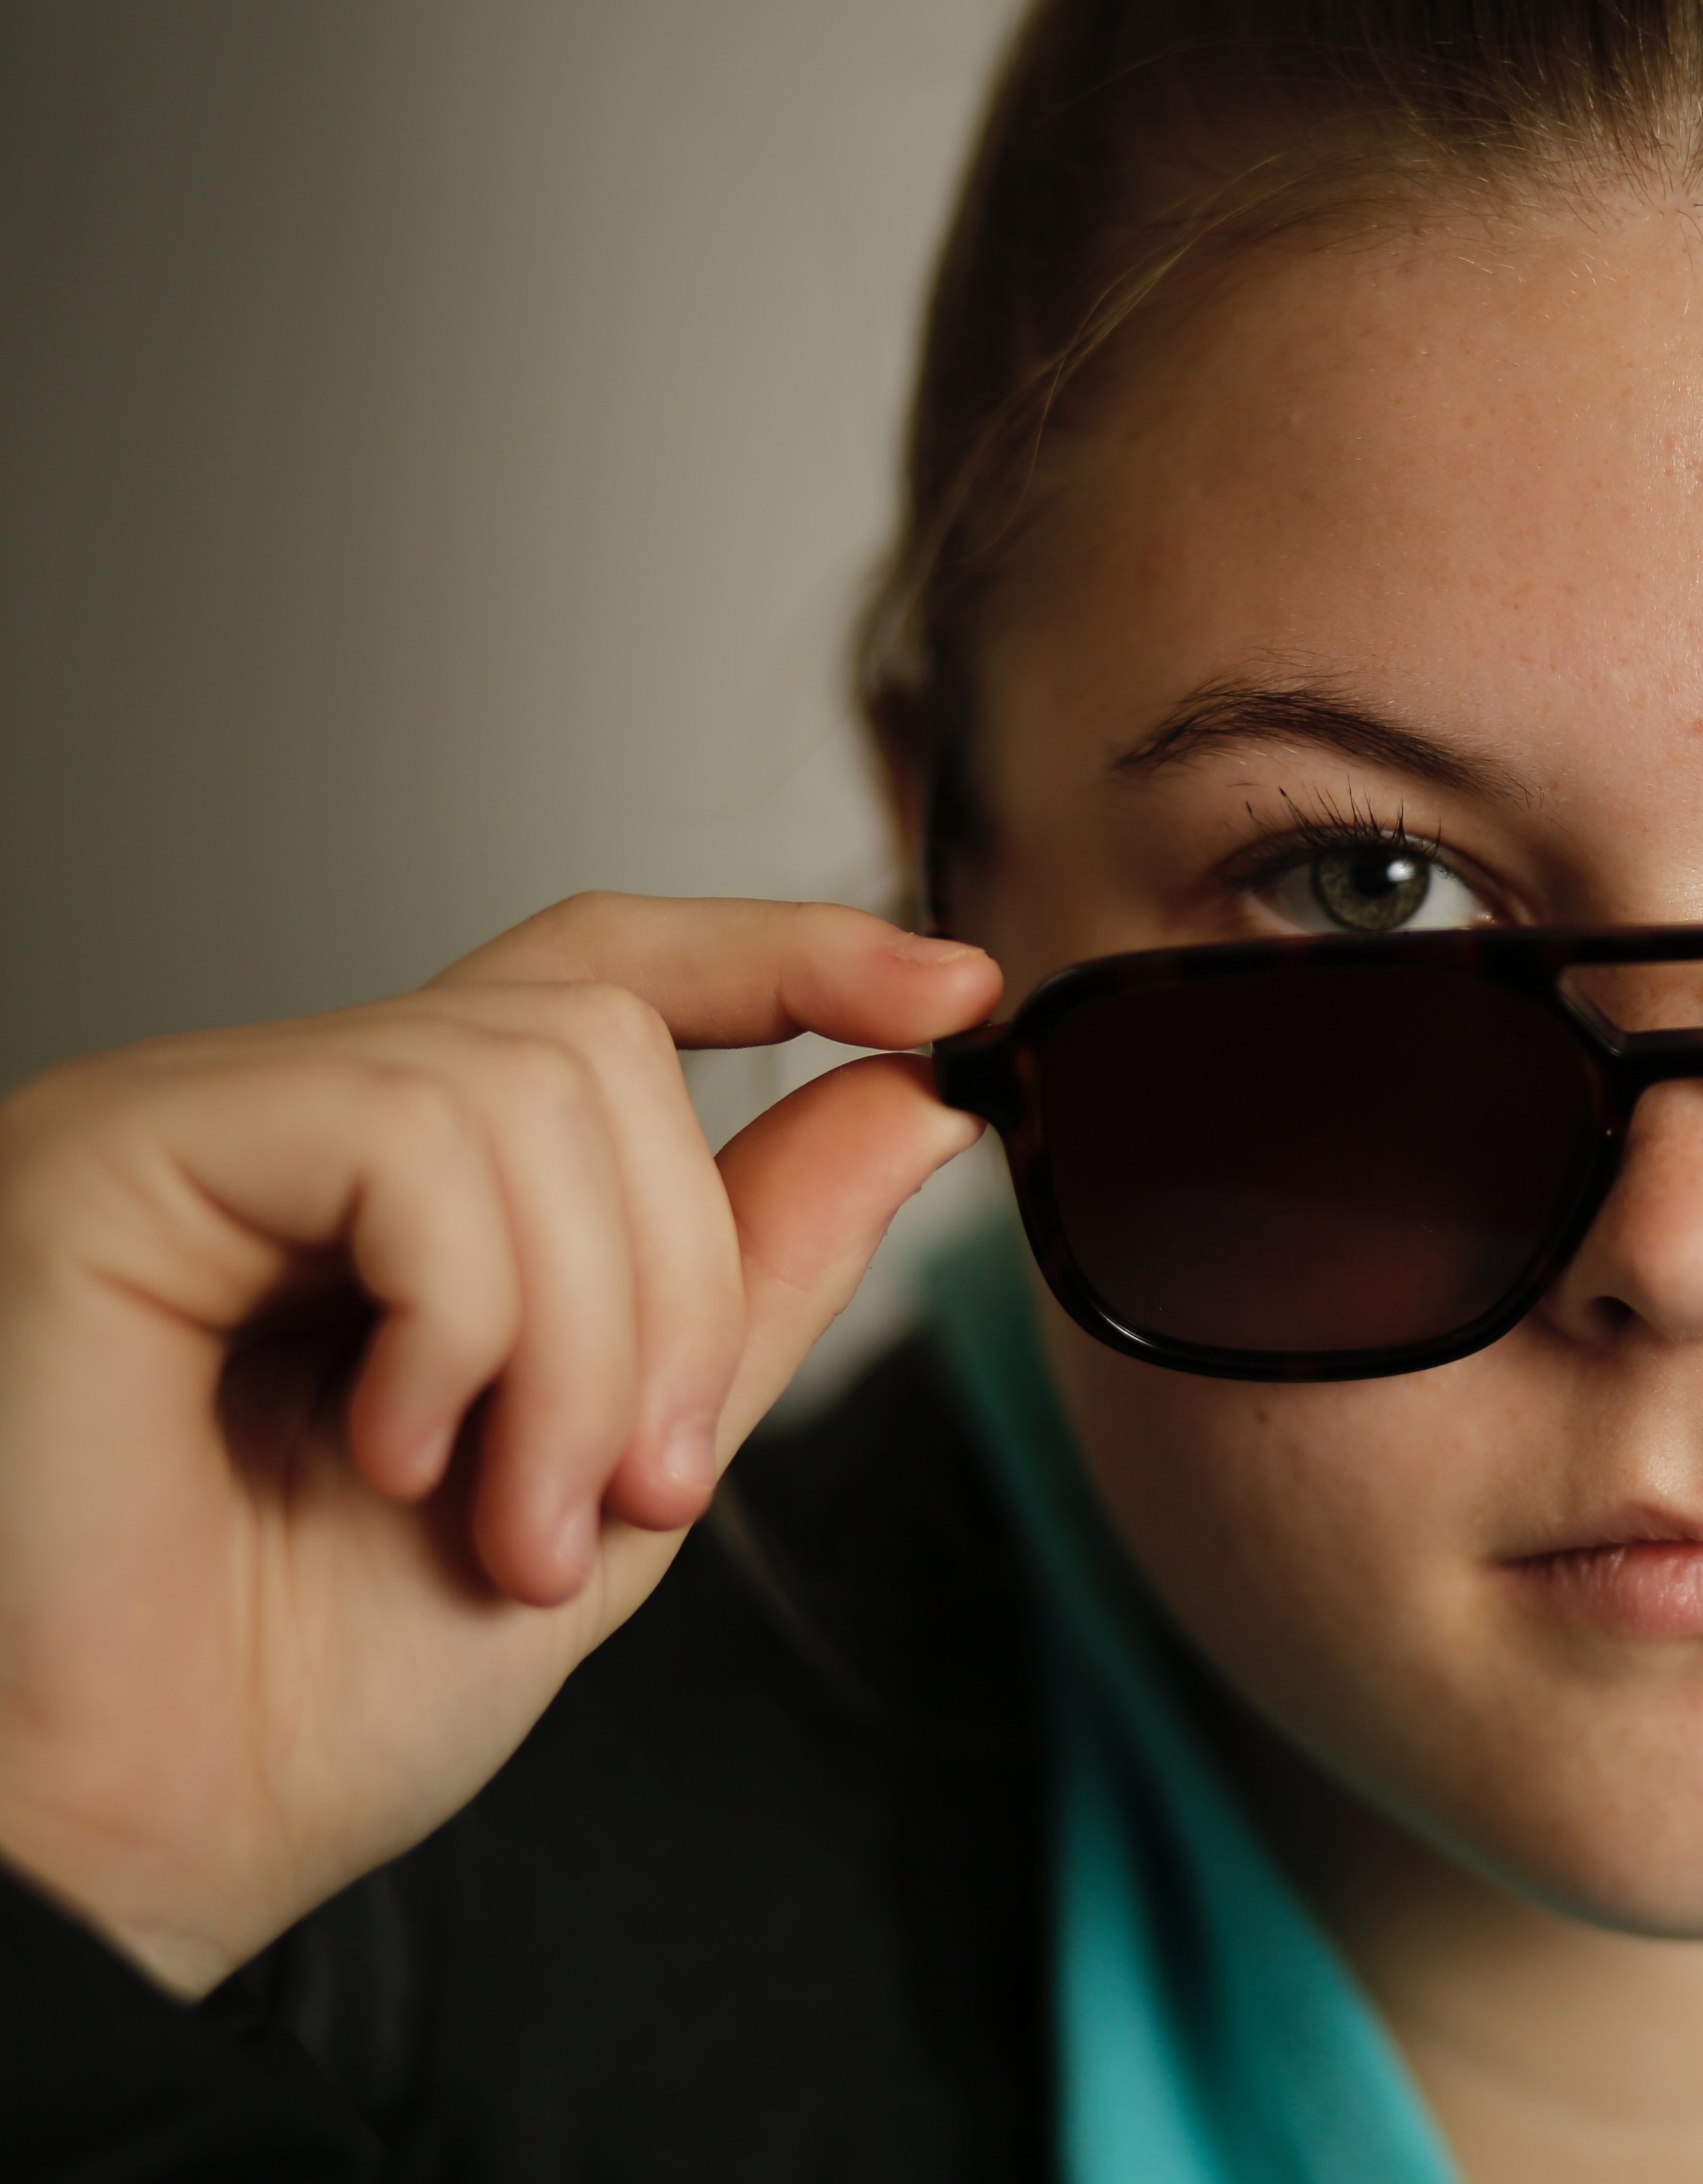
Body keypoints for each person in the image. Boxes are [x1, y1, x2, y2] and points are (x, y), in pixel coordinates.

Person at [10, 0, 1703, 2175]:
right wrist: (58, 1881)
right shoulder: (328, 1989)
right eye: (1368, 891)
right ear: (948, 866)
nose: (1677, 1256)